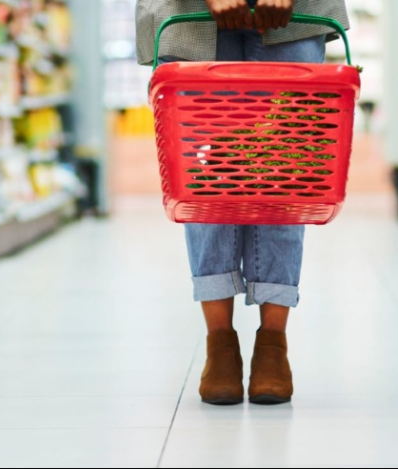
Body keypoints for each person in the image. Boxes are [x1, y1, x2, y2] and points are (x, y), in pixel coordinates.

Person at [136, 0, 350, 406]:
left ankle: (273, 343)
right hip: (187, 10)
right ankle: (220, 344)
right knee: (205, 172)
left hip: (297, 10)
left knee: (286, 167)